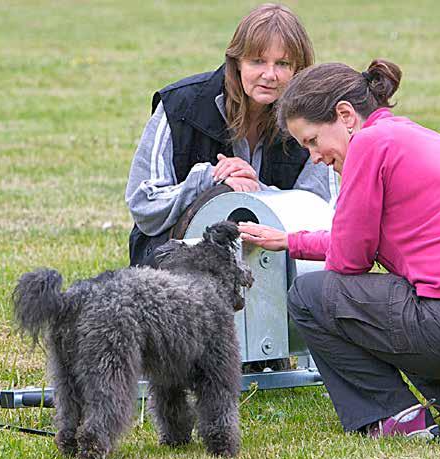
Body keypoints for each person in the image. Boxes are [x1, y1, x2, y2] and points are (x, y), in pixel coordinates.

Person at [238, 59, 440, 440]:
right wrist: (291, 241)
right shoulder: (411, 136)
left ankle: (393, 416)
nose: (315, 157)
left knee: (310, 296)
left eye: (312, 140)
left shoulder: (368, 146)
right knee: (398, 307)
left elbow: (348, 261)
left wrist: (308, 248)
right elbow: (358, 244)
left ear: (345, 115)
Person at [125, 3, 337, 267]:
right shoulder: (179, 105)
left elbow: (318, 214)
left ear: (298, 69)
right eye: (257, 61)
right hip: (175, 264)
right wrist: (209, 179)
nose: (269, 75)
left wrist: (258, 190)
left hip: (272, 261)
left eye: (282, 64)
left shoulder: (310, 121)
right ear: (237, 62)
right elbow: (144, 205)